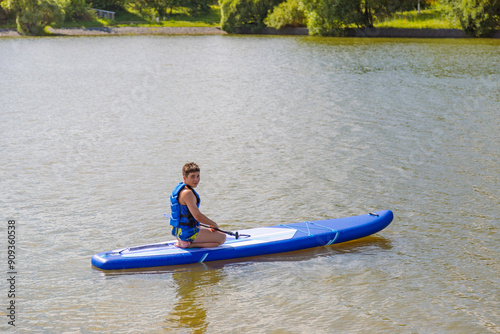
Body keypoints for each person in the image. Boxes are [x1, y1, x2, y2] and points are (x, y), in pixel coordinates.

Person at [170, 162, 226, 248]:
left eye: (198, 176)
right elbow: (197, 216)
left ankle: (183, 240)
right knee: (222, 237)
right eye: (192, 176)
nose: (196, 179)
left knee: (215, 237)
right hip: (187, 233)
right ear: (185, 178)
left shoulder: (180, 189)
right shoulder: (187, 193)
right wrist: (213, 224)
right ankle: (189, 244)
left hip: (177, 231)